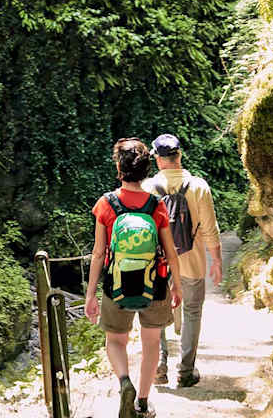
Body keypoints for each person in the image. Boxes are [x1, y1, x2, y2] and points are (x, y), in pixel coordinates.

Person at [85, 138, 184, 418]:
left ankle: (124, 382)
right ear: (146, 169)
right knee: (151, 343)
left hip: (116, 285)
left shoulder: (106, 204)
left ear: (119, 168)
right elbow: (170, 251)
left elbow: (98, 253)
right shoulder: (156, 205)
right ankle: (142, 401)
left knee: (116, 341)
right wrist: (177, 285)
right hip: (154, 285)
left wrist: (91, 295)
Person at [144, 133, 222, 388]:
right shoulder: (199, 186)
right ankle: (185, 371)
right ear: (179, 155)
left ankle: (159, 366)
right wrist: (217, 261)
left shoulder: (147, 188)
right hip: (192, 261)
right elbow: (210, 229)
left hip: (157, 263)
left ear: (158, 159)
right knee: (192, 311)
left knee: (156, 312)